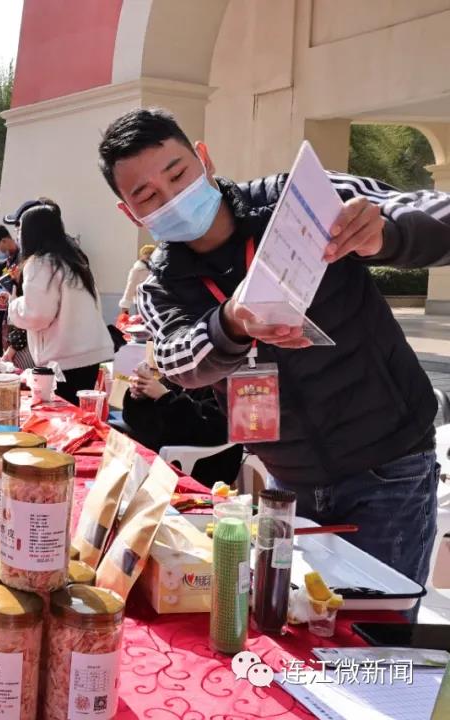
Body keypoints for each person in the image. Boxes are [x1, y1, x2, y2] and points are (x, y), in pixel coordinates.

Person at [97, 107, 450, 587]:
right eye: (147, 195)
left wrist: (389, 232)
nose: (173, 197)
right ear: (129, 212)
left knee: (379, 638)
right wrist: (231, 323)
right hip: (287, 482)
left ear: (204, 158)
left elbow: (440, 213)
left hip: (389, 468)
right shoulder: (160, 284)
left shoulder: (299, 198)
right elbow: (178, 361)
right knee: (303, 630)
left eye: (178, 174)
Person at [7, 203, 113, 404]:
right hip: (88, 355)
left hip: (63, 359)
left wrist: (14, 306)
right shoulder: (72, 261)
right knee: (76, 417)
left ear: (31, 232)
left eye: (20, 228)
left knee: (61, 418)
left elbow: (37, 315)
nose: (17, 235)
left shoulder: (40, 263)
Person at [123, 365, 243, 486]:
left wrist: (165, 397)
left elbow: (209, 429)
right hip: (158, 458)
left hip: (205, 465)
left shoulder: (224, 381)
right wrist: (141, 396)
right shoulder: (180, 373)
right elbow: (138, 422)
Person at [118, 243, 156, 318]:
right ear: (141, 255)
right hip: (142, 303)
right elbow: (130, 287)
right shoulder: (137, 270)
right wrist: (125, 306)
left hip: (156, 303)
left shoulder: (156, 269)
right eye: (146, 253)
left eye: (151, 253)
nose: (148, 255)